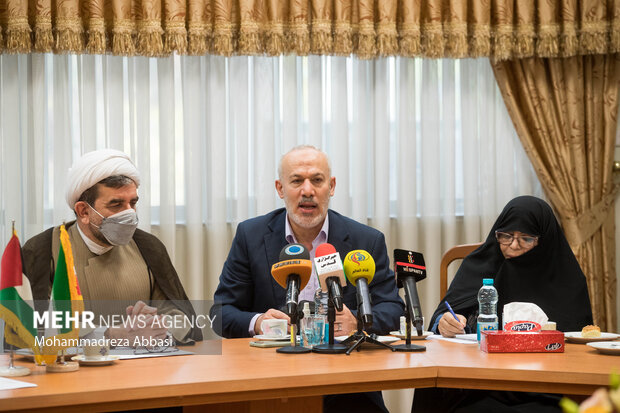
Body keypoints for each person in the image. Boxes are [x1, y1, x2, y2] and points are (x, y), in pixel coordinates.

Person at [211, 145, 404, 412]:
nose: (307, 191)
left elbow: (393, 309)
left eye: (317, 180)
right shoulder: (251, 236)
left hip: (347, 382)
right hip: (270, 379)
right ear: (280, 188)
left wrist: (358, 321)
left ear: (331, 186)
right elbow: (221, 312)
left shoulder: (366, 240)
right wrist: (259, 322)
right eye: (296, 181)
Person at [413, 195, 593, 413]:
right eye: (506, 236)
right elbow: (441, 318)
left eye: (526, 238)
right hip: (479, 384)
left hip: (544, 388)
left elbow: (577, 346)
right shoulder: (480, 265)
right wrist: (445, 322)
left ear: (543, 240)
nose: (513, 246)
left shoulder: (566, 279)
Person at [22, 149, 202, 345]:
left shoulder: (148, 246)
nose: (129, 213)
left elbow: (179, 316)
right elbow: (36, 326)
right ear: (83, 211)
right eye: (116, 205)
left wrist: (156, 330)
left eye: (132, 203)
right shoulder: (43, 249)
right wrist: (108, 335)